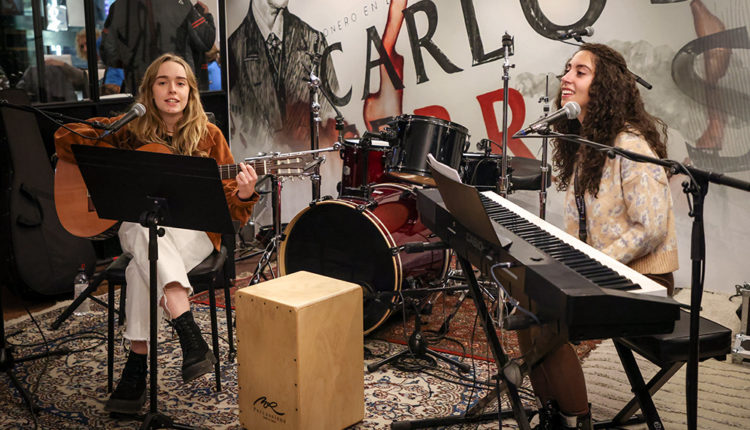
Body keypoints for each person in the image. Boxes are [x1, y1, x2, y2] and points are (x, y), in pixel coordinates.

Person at [54, 53, 259, 414]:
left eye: (180, 83)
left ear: (191, 91)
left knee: (140, 267)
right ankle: (187, 330)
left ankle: (136, 368)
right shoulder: (131, 129)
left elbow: (231, 209)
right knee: (143, 226)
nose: (171, 90)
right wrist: (109, 135)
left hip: (195, 236)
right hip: (142, 229)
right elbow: (63, 137)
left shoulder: (209, 135)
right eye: (162, 82)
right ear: (149, 90)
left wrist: (244, 193)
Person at [518, 43, 679, 429]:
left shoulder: (630, 144)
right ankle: (553, 413)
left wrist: (589, 265)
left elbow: (650, 228)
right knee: (527, 300)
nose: (566, 78)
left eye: (580, 71)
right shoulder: (588, 145)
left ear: (604, 86)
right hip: (606, 273)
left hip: (645, 281)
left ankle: (577, 420)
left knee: (546, 313)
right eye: (567, 69)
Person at [100, 0, 216, 94]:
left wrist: (134, 61)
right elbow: (206, 40)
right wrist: (206, 16)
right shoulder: (181, 4)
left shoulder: (118, 6)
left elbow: (108, 54)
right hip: (177, 88)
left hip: (139, 88)